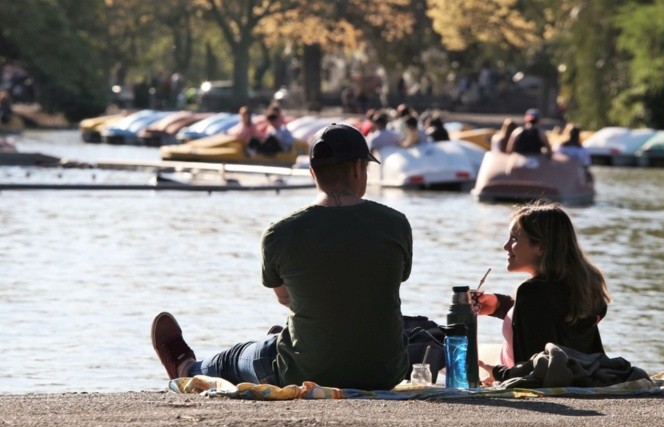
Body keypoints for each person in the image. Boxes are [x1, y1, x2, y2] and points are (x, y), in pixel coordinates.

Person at [151, 123, 413, 390]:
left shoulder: (279, 233)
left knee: (236, 357)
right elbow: (379, 288)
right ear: (359, 168)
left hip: (305, 373)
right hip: (386, 372)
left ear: (312, 173)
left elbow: (285, 297)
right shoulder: (396, 224)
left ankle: (186, 367)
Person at [472, 200, 611, 385]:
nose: (505, 246)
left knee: (449, 355)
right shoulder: (582, 287)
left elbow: (537, 367)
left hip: (514, 375)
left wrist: (497, 373)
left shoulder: (533, 293)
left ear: (540, 248)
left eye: (514, 238)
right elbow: (553, 323)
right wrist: (500, 305)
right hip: (582, 374)